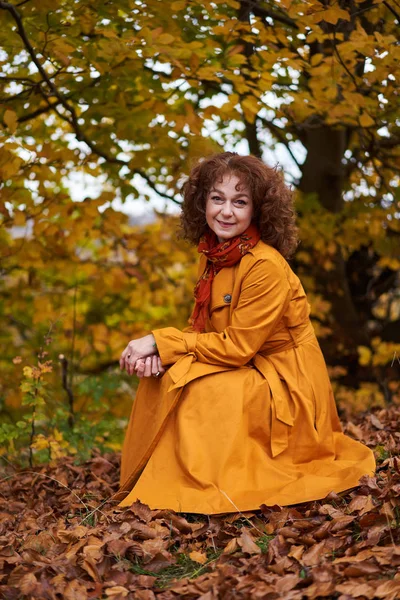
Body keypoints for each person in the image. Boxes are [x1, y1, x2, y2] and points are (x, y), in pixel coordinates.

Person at [116, 152, 375, 515]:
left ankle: (200, 487)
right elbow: (203, 330)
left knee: (205, 390)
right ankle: (160, 480)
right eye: (217, 199)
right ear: (202, 202)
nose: (226, 211)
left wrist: (161, 340)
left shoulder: (265, 266)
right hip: (247, 359)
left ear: (258, 210)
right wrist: (161, 356)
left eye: (240, 202)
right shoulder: (215, 255)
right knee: (168, 375)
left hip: (286, 379)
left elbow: (238, 347)